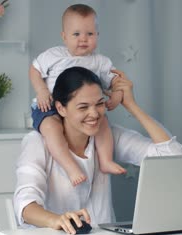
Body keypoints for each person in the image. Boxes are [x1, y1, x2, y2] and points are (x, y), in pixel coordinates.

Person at [14, 67, 182, 234]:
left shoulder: (108, 135)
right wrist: (57, 220)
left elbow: (173, 156)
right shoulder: (37, 143)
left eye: (99, 104)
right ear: (61, 108)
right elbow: (26, 205)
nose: (94, 114)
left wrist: (132, 106)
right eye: (83, 107)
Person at [29, 4, 125, 187]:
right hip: (48, 106)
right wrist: (41, 90)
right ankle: (70, 166)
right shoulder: (54, 55)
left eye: (90, 34)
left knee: (102, 121)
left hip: (82, 111)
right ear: (64, 36)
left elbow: (115, 81)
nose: (83, 39)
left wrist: (117, 95)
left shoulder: (100, 61)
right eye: (76, 34)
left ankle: (105, 160)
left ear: (98, 35)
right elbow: (34, 70)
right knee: (51, 128)